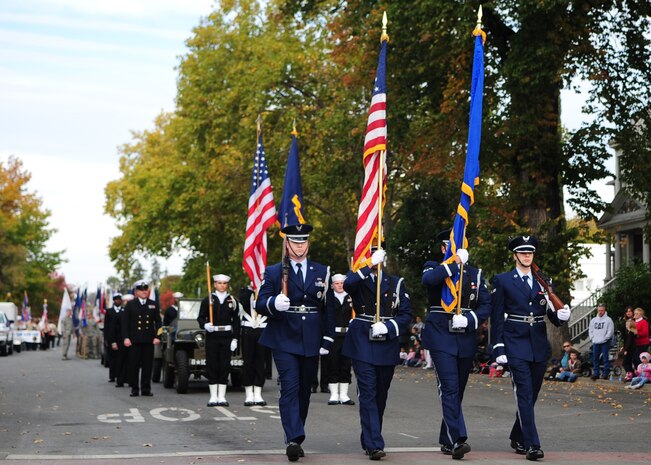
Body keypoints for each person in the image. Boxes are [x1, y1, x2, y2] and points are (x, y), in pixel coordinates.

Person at [256, 223, 334, 462]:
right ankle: (292, 438)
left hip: (311, 337)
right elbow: (260, 303)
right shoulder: (274, 272)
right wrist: (273, 304)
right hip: (284, 336)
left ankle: (296, 437)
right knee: (289, 387)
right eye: (295, 242)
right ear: (286, 244)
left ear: (308, 243)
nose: (299, 246)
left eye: (303, 242)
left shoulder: (322, 271)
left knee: (304, 391)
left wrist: (328, 338)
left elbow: (327, 308)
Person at [490, 235, 571, 461]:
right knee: (524, 393)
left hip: (537, 343)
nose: (527, 256)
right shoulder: (503, 280)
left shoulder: (543, 281)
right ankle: (532, 444)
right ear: (515, 255)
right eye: (523, 252)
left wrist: (561, 316)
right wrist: (498, 348)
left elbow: (551, 315)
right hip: (514, 342)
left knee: (532, 394)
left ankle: (518, 435)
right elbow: (497, 317)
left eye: (530, 253)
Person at [420, 229, 491, 459]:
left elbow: (485, 305)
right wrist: (453, 264)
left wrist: (470, 319)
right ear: (444, 249)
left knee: (457, 390)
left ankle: (446, 437)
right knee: (449, 387)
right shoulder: (434, 266)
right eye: (448, 248)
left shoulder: (474, 274)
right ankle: (458, 439)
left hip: (465, 336)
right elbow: (428, 281)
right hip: (441, 335)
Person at [342, 247, 412, 461]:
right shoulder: (359, 279)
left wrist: (389, 327)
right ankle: (374, 444)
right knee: (368, 393)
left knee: (380, 394)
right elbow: (347, 285)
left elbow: (406, 314)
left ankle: (369, 436)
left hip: (386, 342)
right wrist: (367, 265)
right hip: (362, 339)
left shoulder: (396, 283)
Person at [198, 274, 242, 407]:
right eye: (219, 283)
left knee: (224, 365)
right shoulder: (208, 300)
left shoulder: (233, 300)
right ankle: (213, 396)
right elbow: (200, 318)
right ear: (215, 284)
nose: (222, 285)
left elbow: (236, 322)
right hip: (213, 336)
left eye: (224, 283)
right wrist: (205, 325)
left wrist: (235, 338)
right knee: (212, 364)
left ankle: (221, 396)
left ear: (227, 285)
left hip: (226, 336)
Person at [121, 280, 161, 397]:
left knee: (147, 366)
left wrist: (158, 336)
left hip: (148, 340)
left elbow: (158, 322)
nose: (144, 292)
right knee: (133, 366)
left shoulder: (153, 304)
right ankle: (134, 389)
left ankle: (146, 389)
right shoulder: (130, 304)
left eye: (145, 290)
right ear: (136, 292)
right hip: (134, 341)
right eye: (141, 290)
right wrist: (126, 338)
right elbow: (125, 323)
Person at [323, 273, 355, 406]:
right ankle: (334, 394)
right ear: (332, 285)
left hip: (347, 335)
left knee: (346, 365)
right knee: (333, 364)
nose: (340, 285)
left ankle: (344, 395)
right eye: (337, 283)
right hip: (332, 336)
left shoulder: (351, 297)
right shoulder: (327, 298)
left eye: (342, 283)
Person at [239, 283, 268, 407]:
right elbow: (243, 302)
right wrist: (251, 289)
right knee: (248, 361)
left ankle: (258, 392)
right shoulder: (245, 291)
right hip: (248, 330)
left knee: (260, 362)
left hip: (262, 329)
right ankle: (249, 392)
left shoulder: (267, 290)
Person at [588, 304, 614, 380]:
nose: (600, 312)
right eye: (599, 310)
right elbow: (590, 330)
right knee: (595, 358)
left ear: (604, 310)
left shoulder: (608, 320)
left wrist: (605, 338)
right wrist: (592, 338)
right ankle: (596, 373)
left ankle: (606, 373)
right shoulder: (593, 320)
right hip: (595, 342)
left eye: (602, 310)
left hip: (605, 342)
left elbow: (610, 331)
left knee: (605, 358)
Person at [104, 293, 123, 382]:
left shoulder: (124, 310)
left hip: (121, 338)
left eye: (119, 299)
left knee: (121, 358)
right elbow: (106, 326)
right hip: (111, 337)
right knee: (112, 358)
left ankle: (120, 376)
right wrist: (106, 339)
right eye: (116, 299)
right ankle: (112, 376)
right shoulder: (109, 311)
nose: (118, 301)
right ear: (114, 301)